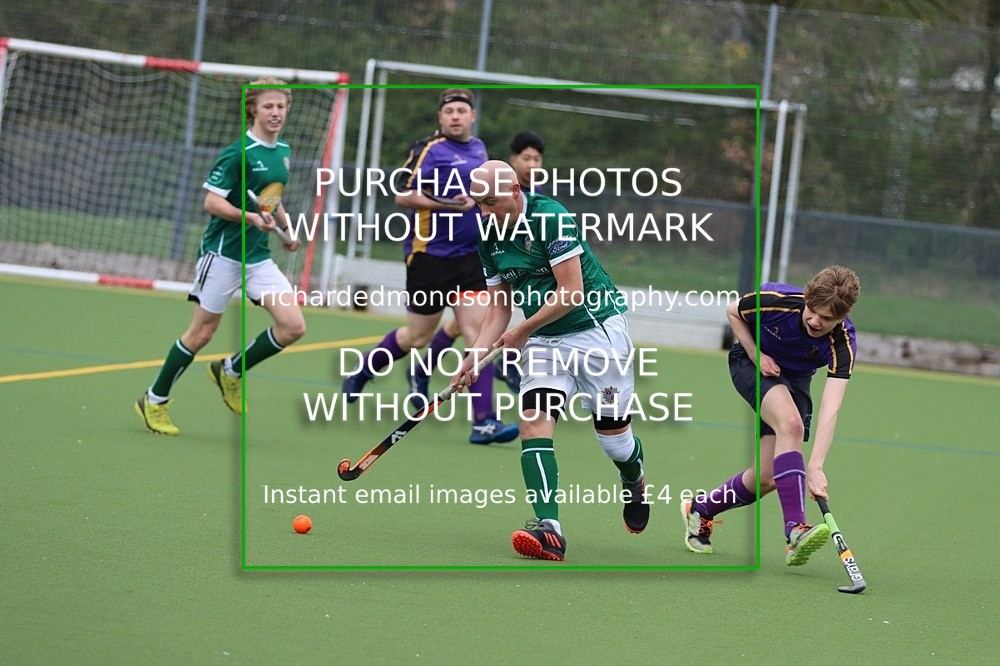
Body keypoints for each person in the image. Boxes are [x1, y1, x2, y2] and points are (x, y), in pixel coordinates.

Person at [452, 160, 650, 561]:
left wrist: (522, 331)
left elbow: (572, 292)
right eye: (478, 204)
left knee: (614, 441)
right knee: (533, 423)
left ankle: (635, 480)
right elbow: (499, 307)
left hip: (595, 330)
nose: (484, 212)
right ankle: (550, 530)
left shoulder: (550, 218)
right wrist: (474, 356)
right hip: (545, 340)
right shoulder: (489, 236)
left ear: (514, 191)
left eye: (490, 202)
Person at [341, 89, 518, 445]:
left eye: (462, 111)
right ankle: (364, 369)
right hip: (430, 258)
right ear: (440, 118)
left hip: (471, 258)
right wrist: (449, 204)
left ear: (472, 116)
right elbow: (402, 195)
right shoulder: (429, 150)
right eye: (449, 111)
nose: (455, 116)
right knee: (417, 337)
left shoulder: (480, 150)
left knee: (477, 335)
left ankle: (484, 422)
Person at [135, 77, 304, 435]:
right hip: (223, 255)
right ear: (253, 109)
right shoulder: (238, 152)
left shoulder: (283, 152)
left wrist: (287, 230)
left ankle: (230, 371)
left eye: (281, 106)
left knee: (293, 326)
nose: (275, 112)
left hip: (258, 258)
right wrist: (251, 218)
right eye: (268, 106)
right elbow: (211, 202)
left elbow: (271, 198)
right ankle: (153, 400)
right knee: (201, 334)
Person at [681, 265, 861, 566]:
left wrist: (816, 465)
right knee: (791, 424)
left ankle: (701, 509)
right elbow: (733, 311)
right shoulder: (776, 300)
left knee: (767, 477)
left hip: (796, 379)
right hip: (752, 362)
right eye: (812, 311)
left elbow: (832, 405)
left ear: (841, 317)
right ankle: (795, 530)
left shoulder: (843, 341)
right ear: (806, 299)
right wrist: (756, 354)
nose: (815, 321)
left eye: (826, 318)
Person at [406, 130, 546, 401]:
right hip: (476, 258)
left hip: (501, 264)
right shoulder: (492, 184)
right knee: (472, 325)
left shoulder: (537, 198)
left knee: (466, 325)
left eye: (537, 159)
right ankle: (430, 374)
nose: (532, 165)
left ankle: (422, 370)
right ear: (513, 160)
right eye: (526, 158)